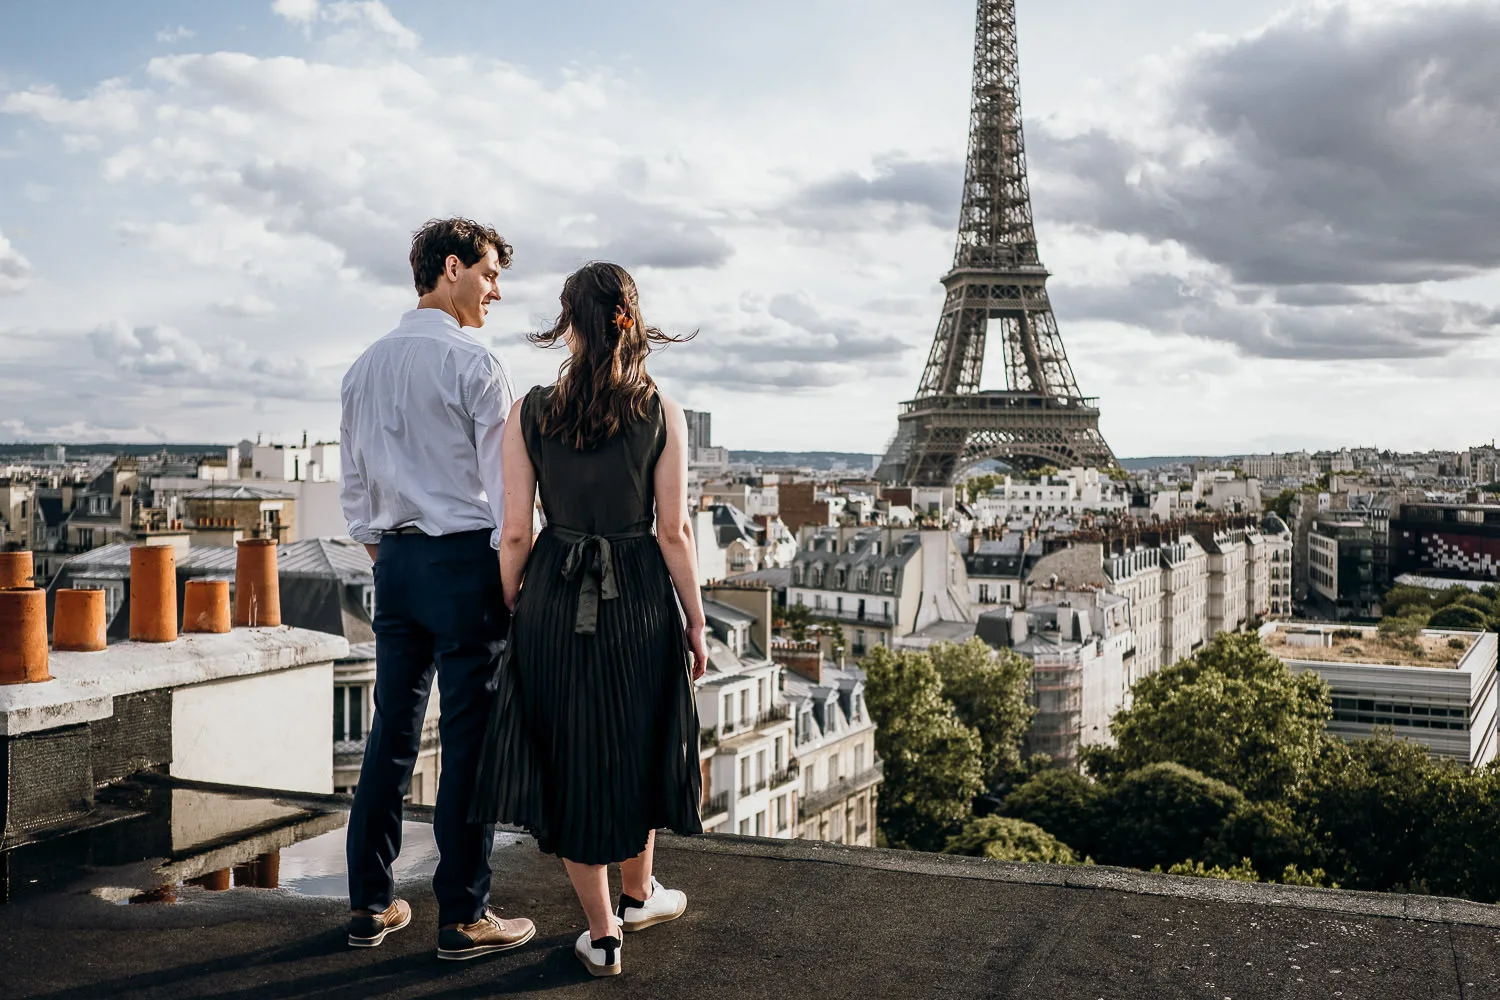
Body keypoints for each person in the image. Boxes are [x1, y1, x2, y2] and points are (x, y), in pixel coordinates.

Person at [471, 261, 708, 978]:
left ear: (570, 324)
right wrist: (695, 621)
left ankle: (604, 930)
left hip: (555, 587)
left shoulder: (531, 410)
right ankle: (640, 893)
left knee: (572, 750)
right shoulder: (661, 410)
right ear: (631, 320)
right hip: (637, 594)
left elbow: (515, 530)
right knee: (634, 740)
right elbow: (675, 533)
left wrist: (516, 596)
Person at [339, 217, 536, 960]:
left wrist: (391, 553)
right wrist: (510, 579)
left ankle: (370, 904)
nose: (495, 292)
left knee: (390, 737)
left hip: (394, 562)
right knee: (468, 744)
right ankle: (462, 914)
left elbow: (355, 494)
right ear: (450, 267)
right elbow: (507, 500)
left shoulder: (363, 366)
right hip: (465, 564)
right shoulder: (474, 364)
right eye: (489, 274)